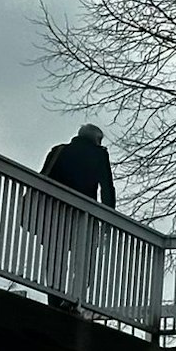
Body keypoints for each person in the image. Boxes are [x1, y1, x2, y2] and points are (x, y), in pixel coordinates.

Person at [39, 124, 118, 312]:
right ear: (96, 139)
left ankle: (54, 301)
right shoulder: (99, 155)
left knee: (55, 257)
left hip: (55, 214)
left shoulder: (59, 151)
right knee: (85, 260)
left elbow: (43, 179)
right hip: (85, 217)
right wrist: (109, 217)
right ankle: (74, 300)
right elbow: (107, 188)